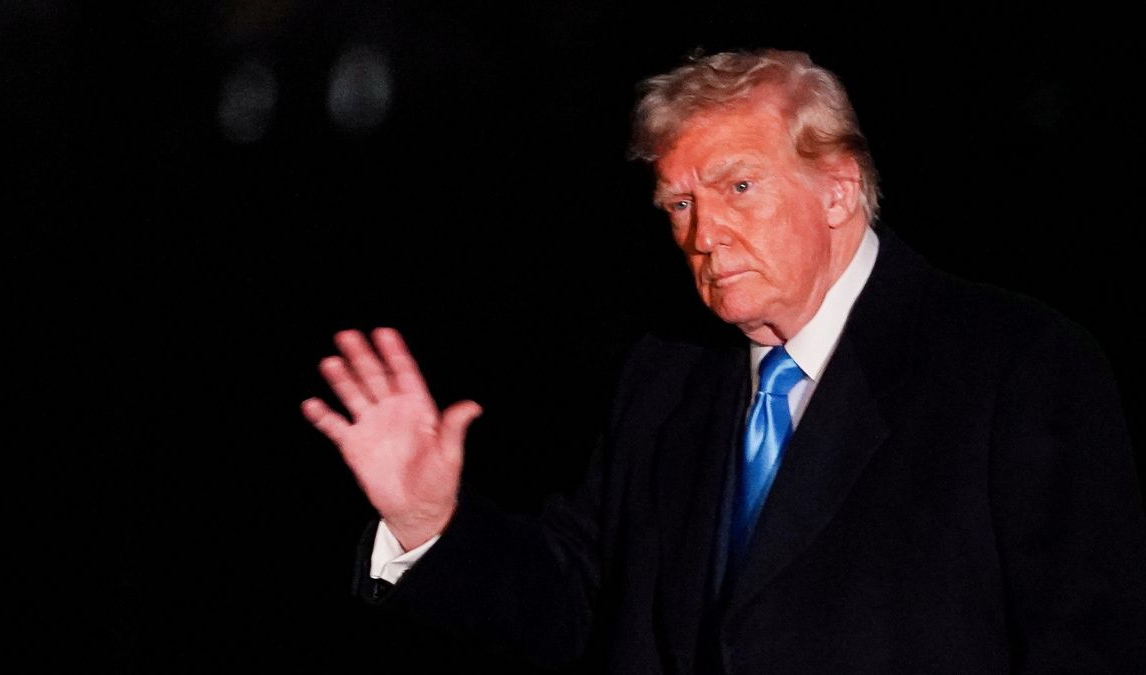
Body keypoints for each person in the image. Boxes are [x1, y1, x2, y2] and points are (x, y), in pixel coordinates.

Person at [301, 48, 1146, 673]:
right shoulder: (667, 378)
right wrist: (428, 522)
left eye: (738, 187)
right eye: (679, 204)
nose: (703, 237)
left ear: (839, 188)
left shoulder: (1017, 366)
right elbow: (571, 604)